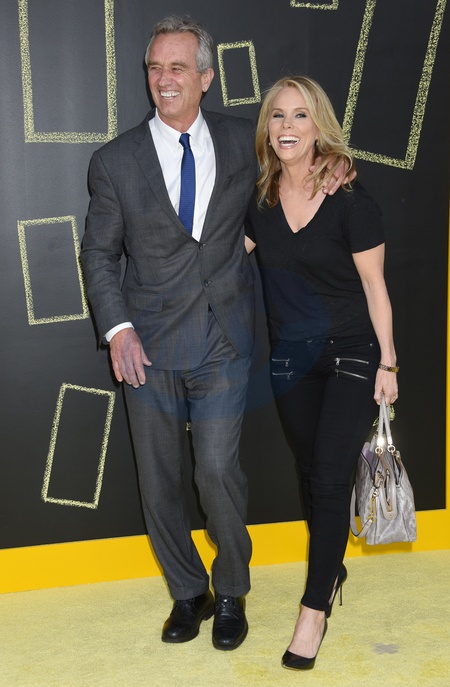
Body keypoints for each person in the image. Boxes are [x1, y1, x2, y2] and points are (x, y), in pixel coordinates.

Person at [81, 15, 257, 651]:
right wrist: (118, 329)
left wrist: (333, 176)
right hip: (147, 346)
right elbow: (99, 254)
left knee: (216, 471)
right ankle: (189, 592)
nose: (164, 79)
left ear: (206, 78)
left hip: (222, 336)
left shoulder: (243, 142)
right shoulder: (114, 161)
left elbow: (287, 191)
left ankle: (231, 588)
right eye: (155, 67)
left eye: (178, 67)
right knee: (158, 481)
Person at [244, 75, 398, 670]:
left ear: (318, 127)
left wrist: (388, 361)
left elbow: (375, 286)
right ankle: (331, 567)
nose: (287, 126)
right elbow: (223, 262)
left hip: (353, 352)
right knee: (310, 472)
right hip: (291, 359)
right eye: (278, 116)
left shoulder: (350, 198)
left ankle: (314, 610)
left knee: (331, 477)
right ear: (267, 129)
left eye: (300, 115)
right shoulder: (260, 202)